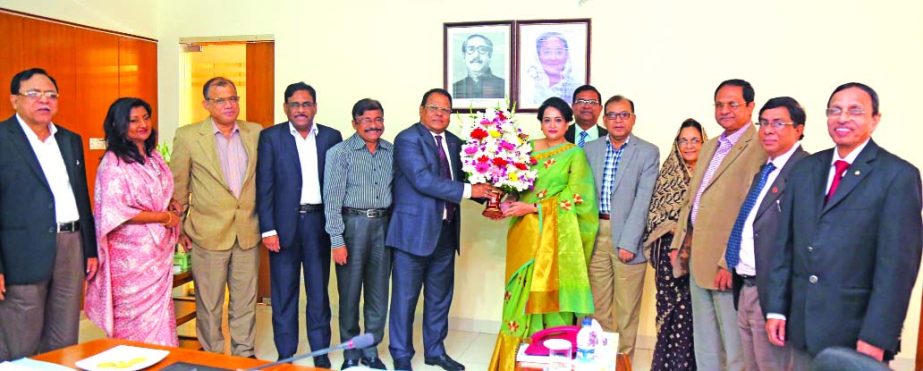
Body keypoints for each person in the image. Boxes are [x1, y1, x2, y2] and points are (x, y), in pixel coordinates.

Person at [765, 83, 922, 369]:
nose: (843, 118)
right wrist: (777, 308)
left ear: (875, 119)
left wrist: (878, 335)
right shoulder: (805, 170)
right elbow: (784, 245)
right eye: (834, 110)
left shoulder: (897, 176)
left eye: (855, 111)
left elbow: (898, 268)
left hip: (857, 332)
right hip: (802, 326)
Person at [386, 88, 496, 371]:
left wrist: (499, 191)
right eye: (434, 108)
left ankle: (435, 351)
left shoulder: (456, 143)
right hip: (412, 234)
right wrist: (473, 190)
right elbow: (423, 180)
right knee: (404, 299)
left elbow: (471, 179)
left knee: (439, 298)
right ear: (421, 110)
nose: (439, 114)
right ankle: (401, 354)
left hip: (445, 233)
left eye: (445, 110)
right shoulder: (407, 139)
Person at [487, 97, 599, 371]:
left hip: (553, 239)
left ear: (568, 122)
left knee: (550, 296)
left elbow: (578, 200)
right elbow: (514, 185)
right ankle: (512, 362)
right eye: (546, 120)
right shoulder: (524, 150)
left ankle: (549, 359)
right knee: (517, 294)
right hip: (522, 233)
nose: (552, 125)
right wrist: (506, 200)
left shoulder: (574, 154)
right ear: (540, 122)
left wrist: (533, 207)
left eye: (558, 120)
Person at [0, 68, 98, 360]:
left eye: (51, 95)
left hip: (71, 243)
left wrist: (89, 249)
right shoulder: (3, 139)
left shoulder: (69, 139)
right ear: (14, 99)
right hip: (22, 251)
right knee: (20, 335)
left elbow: (81, 197)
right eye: (34, 94)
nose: (44, 100)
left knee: (65, 333)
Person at [671, 79, 767, 371]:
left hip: (727, 265)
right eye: (719, 104)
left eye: (733, 104)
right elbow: (691, 199)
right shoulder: (712, 144)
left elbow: (751, 212)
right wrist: (678, 244)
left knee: (735, 346)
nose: (724, 110)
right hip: (698, 258)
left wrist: (729, 260)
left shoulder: (759, 147)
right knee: (705, 340)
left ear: (750, 107)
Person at [170, 77, 261, 357]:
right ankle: (211, 356)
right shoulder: (188, 136)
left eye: (233, 98)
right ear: (206, 104)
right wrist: (180, 227)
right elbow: (179, 185)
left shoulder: (255, 132)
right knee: (209, 303)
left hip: (247, 230)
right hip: (207, 232)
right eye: (220, 100)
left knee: (245, 302)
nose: (229, 105)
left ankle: (244, 354)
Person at [256, 82, 342, 367]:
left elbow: (339, 186)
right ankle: (286, 355)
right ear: (286, 108)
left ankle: (320, 355)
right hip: (282, 228)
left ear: (315, 107)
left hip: (319, 225)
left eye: (306, 104)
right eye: (295, 104)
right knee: (283, 295)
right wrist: (267, 229)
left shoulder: (332, 137)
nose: (301, 109)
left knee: (318, 295)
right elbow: (264, 186)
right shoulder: (271, 137)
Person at [84, 97, 181, 346]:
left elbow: (158, 192)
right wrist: (164, 216)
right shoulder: (113, 162)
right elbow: (115, 211)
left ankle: (163, 361)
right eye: (133, 120)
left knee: (159, 317)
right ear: (119, 125)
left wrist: (169, 204)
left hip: (156, 253)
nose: (142, 124)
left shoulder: (153, 156)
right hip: (130, 260)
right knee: (135, 322)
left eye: (146, 118)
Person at [728, 97, 809, 371]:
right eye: (763, 123)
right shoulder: (766, 170)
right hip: (747, 286)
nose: (768, 130)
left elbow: (803, 242)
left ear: (798, 129)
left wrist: (782, 303)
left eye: (778, 123)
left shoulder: (806, 172)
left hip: (774, 294)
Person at [584, 95, 660, 357]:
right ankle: (602, 359)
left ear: (633, 119)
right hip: (595, 234)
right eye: (612, 115)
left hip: (629, 235)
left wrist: (629, 241)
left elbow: (644, 200)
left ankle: (623, 359)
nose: (618, 120)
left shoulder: (648, 152)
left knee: (627, 308)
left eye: (624, 115)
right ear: (604, 119)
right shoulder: (589, 149)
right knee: (597, 306)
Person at [322, 98, 390, 370]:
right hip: (352, 226)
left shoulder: (391, 152)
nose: (374, 126)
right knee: (349, 294)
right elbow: (332, 200)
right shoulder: (340, 153)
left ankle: (371, 350)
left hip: (383, 227)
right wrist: (337, 241)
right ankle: (351, 353)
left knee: (378, 293)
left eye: (378, 120)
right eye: (367, 121)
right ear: (355, 123)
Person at [644, 119, 707, 371]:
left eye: (695, 140)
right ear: (676, 143)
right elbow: (655, 216)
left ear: (704, 143)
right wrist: (675, 232)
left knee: (697, 315)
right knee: (671, 313)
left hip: (702, 254)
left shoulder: (712, 174)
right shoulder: (667, 175)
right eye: (684, 140)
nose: (689, 145)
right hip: (669, 256)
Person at [526, 32, 579, 105]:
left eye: (559, 52)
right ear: (538, 56)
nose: (553, 58)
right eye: (547, 52)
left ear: (566, 55)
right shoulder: (528, 87)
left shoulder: (576, 87)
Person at [452, 34, 505, 99]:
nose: (476, 55)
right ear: (464, 56)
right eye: (471, 49)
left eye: (482, 50)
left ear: (490, 55)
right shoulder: (455, 89)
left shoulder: (503, 86)